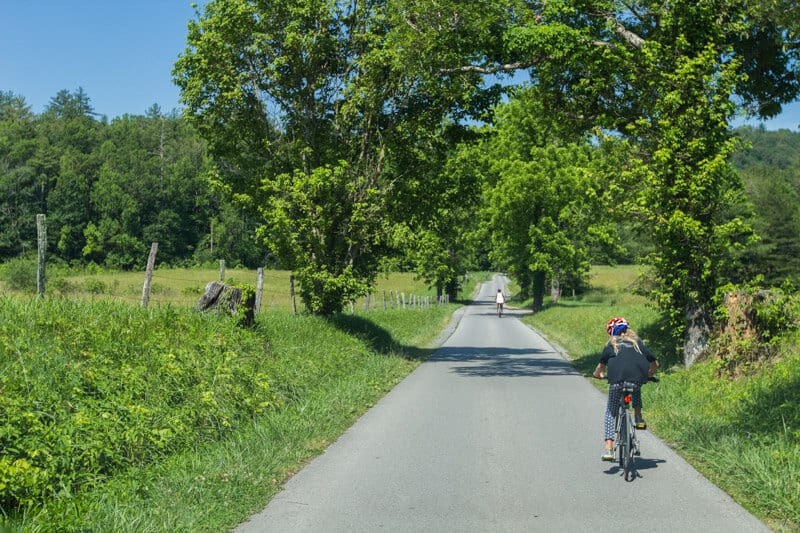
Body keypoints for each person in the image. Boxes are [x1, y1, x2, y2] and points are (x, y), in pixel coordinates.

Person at [592, 317, 659, 461]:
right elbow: (655, 363)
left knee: (611, 412)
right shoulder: (638, 344)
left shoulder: (612, 345)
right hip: (636, 382)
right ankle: (638, 417)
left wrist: (597, 375)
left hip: (616, 383)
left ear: (612, 333)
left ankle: (609, 449)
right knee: (636, 385)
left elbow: (600, 367)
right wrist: (649, 375)